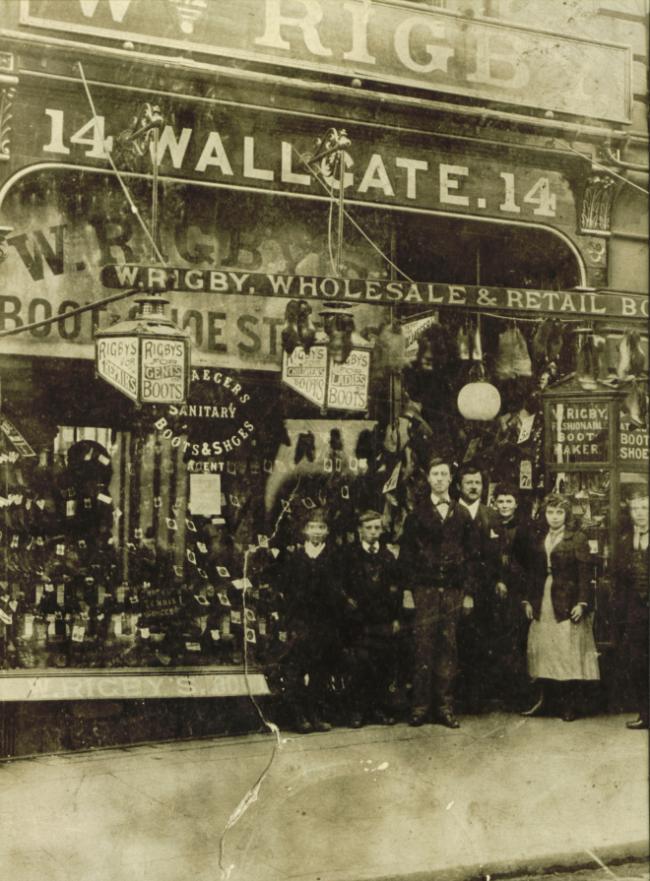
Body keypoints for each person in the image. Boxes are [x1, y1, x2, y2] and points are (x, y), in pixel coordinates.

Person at [400, 457, 476, 728]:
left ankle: (445, 707)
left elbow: (470, 557)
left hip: (453, 591)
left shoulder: (462, 514)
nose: (440, 479)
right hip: (425, 591)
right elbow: (406, 557)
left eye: (445, 474)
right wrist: (408, 592)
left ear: (450, 480)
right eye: (435, 474)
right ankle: (420, 707)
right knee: (423, 647)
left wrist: (467, 593)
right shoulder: (416, 514)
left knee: (448, 648)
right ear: (429, 480)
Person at [521, 493, 600, 722]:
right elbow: (532, 573)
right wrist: (528, 600)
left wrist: (582, 603)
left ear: (566, 515)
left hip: (566, 600)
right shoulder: (539, 537)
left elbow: (585, 575)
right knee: (544, 649)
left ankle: (568, 704)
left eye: (559, 513)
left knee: (566, 650)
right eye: (550, 512)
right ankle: (545, 700)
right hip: (542, 598)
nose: (554, 517)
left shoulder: (577, 538)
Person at [277, 508, 343, 734]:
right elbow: (286, 589)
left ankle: (315, 713)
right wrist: (291, 621)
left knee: (320, 668)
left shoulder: (334, 556)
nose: (317, 532)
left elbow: (338, 590)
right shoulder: (295, 557)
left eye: (321, 527)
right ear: (305, 530)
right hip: (301, 621)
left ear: (328, 531)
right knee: (296, 667)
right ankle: (298, 715)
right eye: (312, 527)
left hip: (325, 621)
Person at [339, 510, 402, 728]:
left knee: (382, 666)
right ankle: (357, 711)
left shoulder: (388, 556)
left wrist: (395, 618)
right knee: (359, 666)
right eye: (369, 528)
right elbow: (341, 588)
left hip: (382, 620)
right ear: (359, 530)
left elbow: (396, 590)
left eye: (377, 528)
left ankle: (379, 709)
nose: (373, 532)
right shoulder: (349, 555)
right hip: (358, 621)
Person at [456, 464, 501, 712]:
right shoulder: (453, 513)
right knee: (457, 643)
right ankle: (458, 698)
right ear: (459, 486)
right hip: (459, 589)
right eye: (469, 483)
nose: (474, 487)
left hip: (485, 591)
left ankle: (477, 699)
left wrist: (498, 579)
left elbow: (498, 554)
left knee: (482, 643)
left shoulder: (491, 515)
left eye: (477, 483)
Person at [489, 484, 531, 710]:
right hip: (493, 589)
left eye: (509, 501)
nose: (504, 505)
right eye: (501, 501)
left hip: (515, 591)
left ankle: (517, 697)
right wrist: (496, 579)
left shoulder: (524, 529)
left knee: (515, 642)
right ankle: (498, 694)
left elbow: (528, 564)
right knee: (495, 639)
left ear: (516, 504)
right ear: (495, 503)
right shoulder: (490, 525)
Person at [617, 489, 649, 730]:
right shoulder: (626, 540)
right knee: (638, 661)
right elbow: (620, 578)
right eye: (635, 509)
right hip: (636, 611)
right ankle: (645, 715)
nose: (639, 513)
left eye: (644, 508)